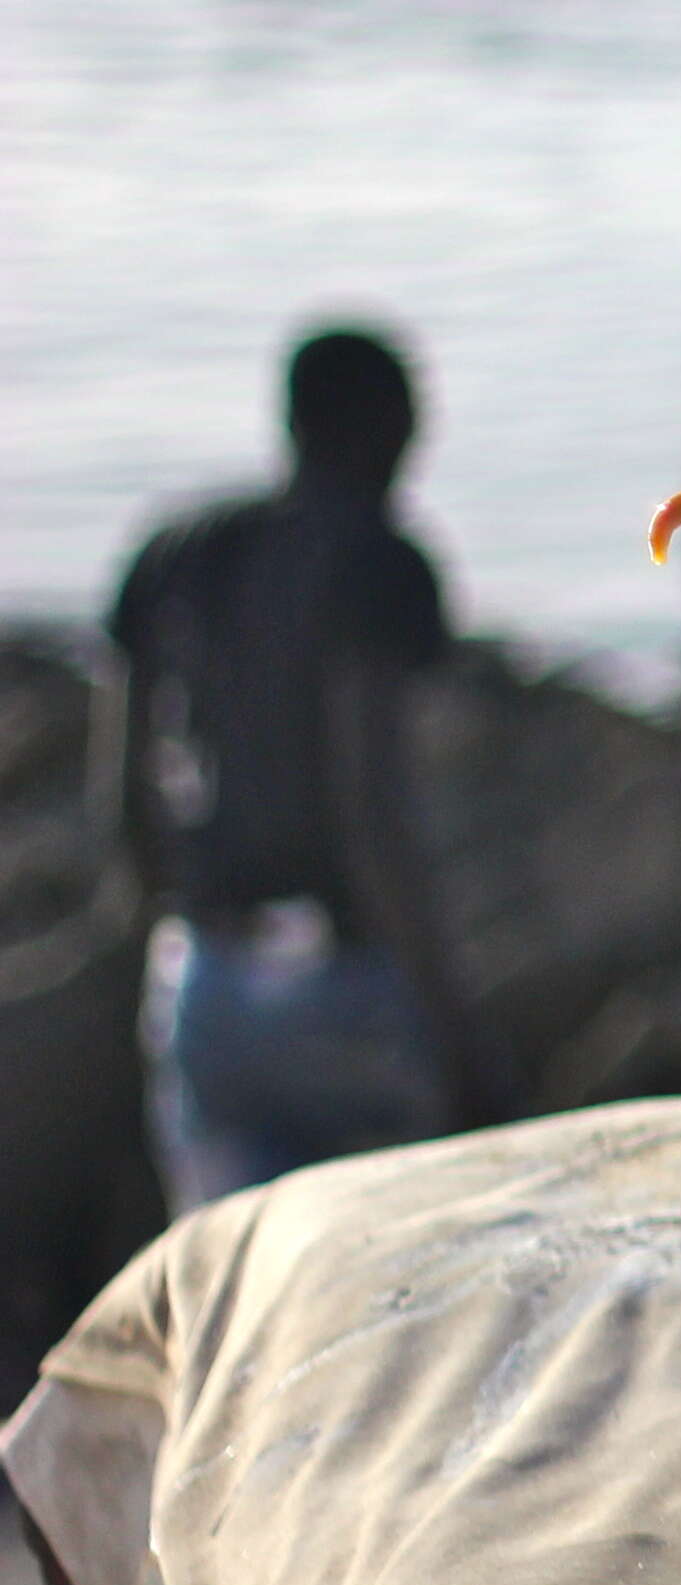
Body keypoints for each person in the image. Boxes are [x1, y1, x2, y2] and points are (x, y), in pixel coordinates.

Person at [102, 327, 513, 1206]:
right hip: (343, 978)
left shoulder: (176, 553)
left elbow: (128, 793)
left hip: (204, 969)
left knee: (234, 1282)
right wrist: (455, 1027)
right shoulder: (375, 560)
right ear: (386, 430)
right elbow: (369, 803)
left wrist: (153, 940)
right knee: (385, 1273)